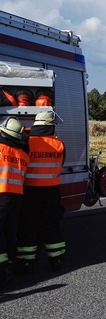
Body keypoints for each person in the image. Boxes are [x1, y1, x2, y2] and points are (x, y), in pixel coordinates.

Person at [16, 110, 66, 273]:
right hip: (51, 191)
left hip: (28, 190)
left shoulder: (26, 141)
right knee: (52, 225)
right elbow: (61, 163)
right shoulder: (59, 144)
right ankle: (56, 258)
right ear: (50, 126)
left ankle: (26, 261)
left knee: (28, 225)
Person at [0, 116, 29, 286]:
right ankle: (9, 265)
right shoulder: (23, 154)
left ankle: (3, 271)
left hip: (1, 195)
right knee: (10, 232)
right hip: (16, 197)